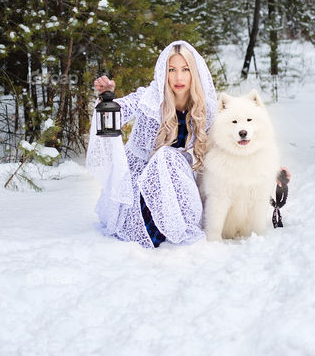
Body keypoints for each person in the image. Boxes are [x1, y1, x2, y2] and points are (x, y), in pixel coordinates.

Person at [86, 41, 218, 248]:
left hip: (176, 181)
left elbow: (223, 144)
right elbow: (120, 110)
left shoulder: (204, 108)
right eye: (172, 70)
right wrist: (107, 99)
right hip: (140, 178)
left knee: (168, 157)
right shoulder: (150, 97)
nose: (179, 77)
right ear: (164, 72)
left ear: (194, 72)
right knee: (164, 156)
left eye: (185, 69)